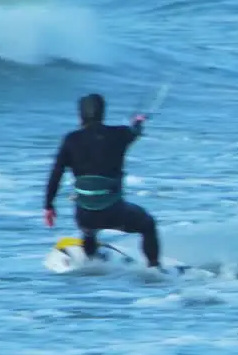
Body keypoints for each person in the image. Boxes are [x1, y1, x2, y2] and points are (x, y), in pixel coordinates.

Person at [43, 93, 162, 269]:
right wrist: (138, 121)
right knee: (148, 225)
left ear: (80, 115)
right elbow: (135, 131)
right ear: (103, 113)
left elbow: (56, 173)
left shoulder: (71, 140)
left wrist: (48, 206)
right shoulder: (120, 134)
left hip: (85, 217)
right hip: (116, 212)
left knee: (88, 224)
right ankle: (154, 267)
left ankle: (91, 259)